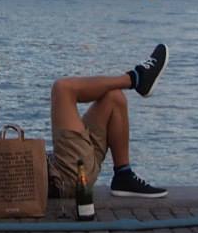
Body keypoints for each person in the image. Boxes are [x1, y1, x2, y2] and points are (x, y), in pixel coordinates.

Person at [48, 44, 170, 199]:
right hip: (65, 177)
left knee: (114, 97)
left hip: (66, 167)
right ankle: (135, 78)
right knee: (62, 89)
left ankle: (123, 176)